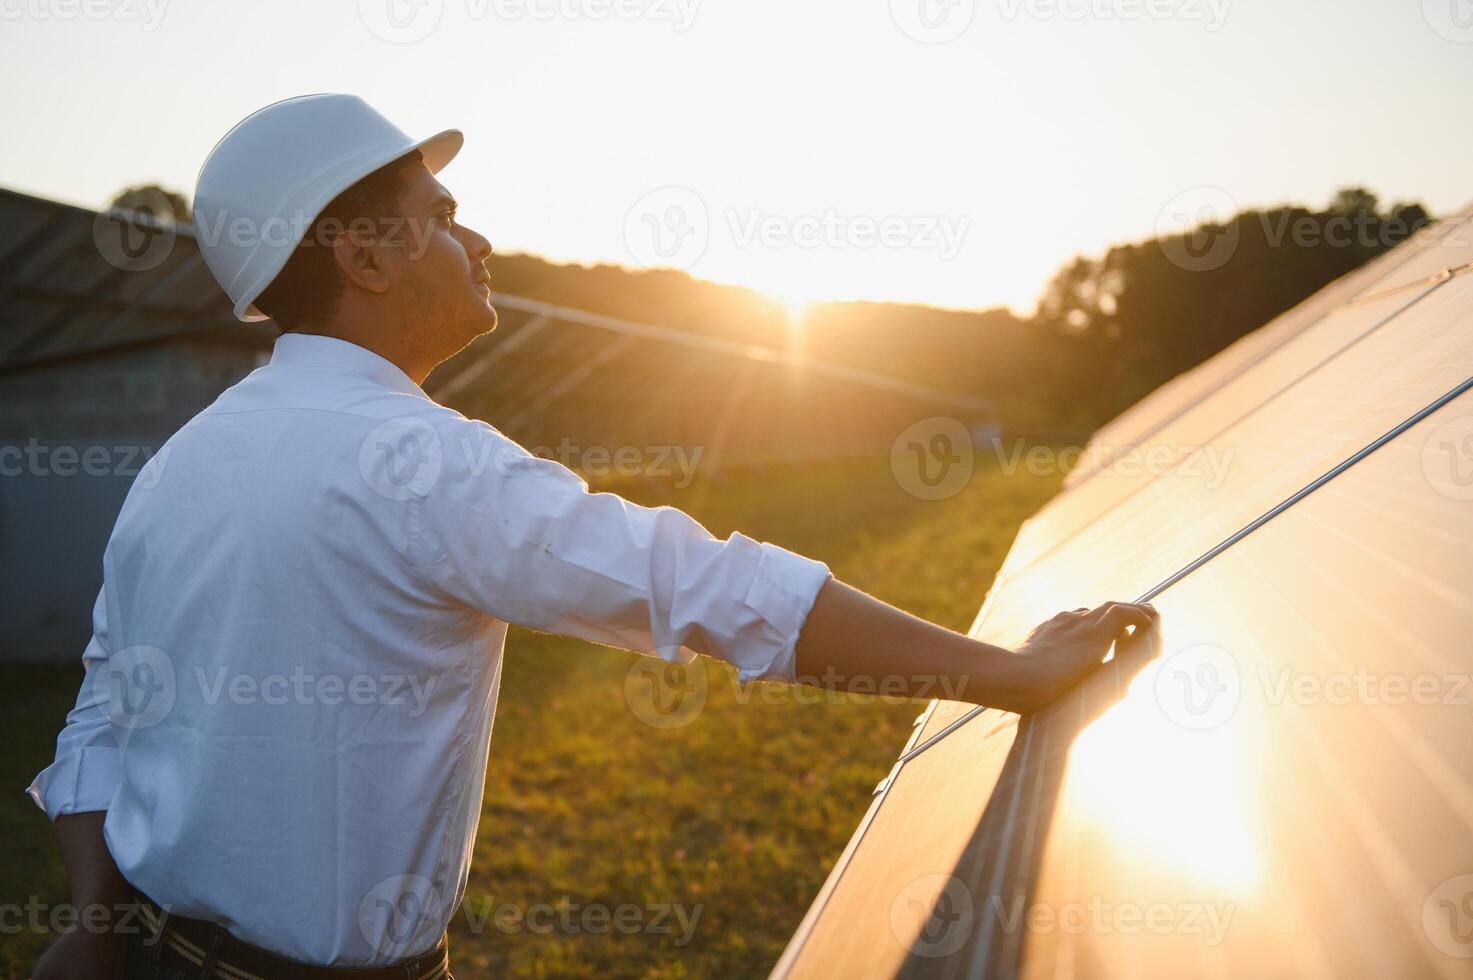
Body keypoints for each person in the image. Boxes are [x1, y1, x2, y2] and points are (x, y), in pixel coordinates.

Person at [29, 94, 1157, 979]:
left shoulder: (173, 467)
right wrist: (1008, 673)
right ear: (365, 258)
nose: (474, 236)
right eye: (440, 215)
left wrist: (89, 926)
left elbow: (100, 714)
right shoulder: (423, 461)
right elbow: (706, 585)